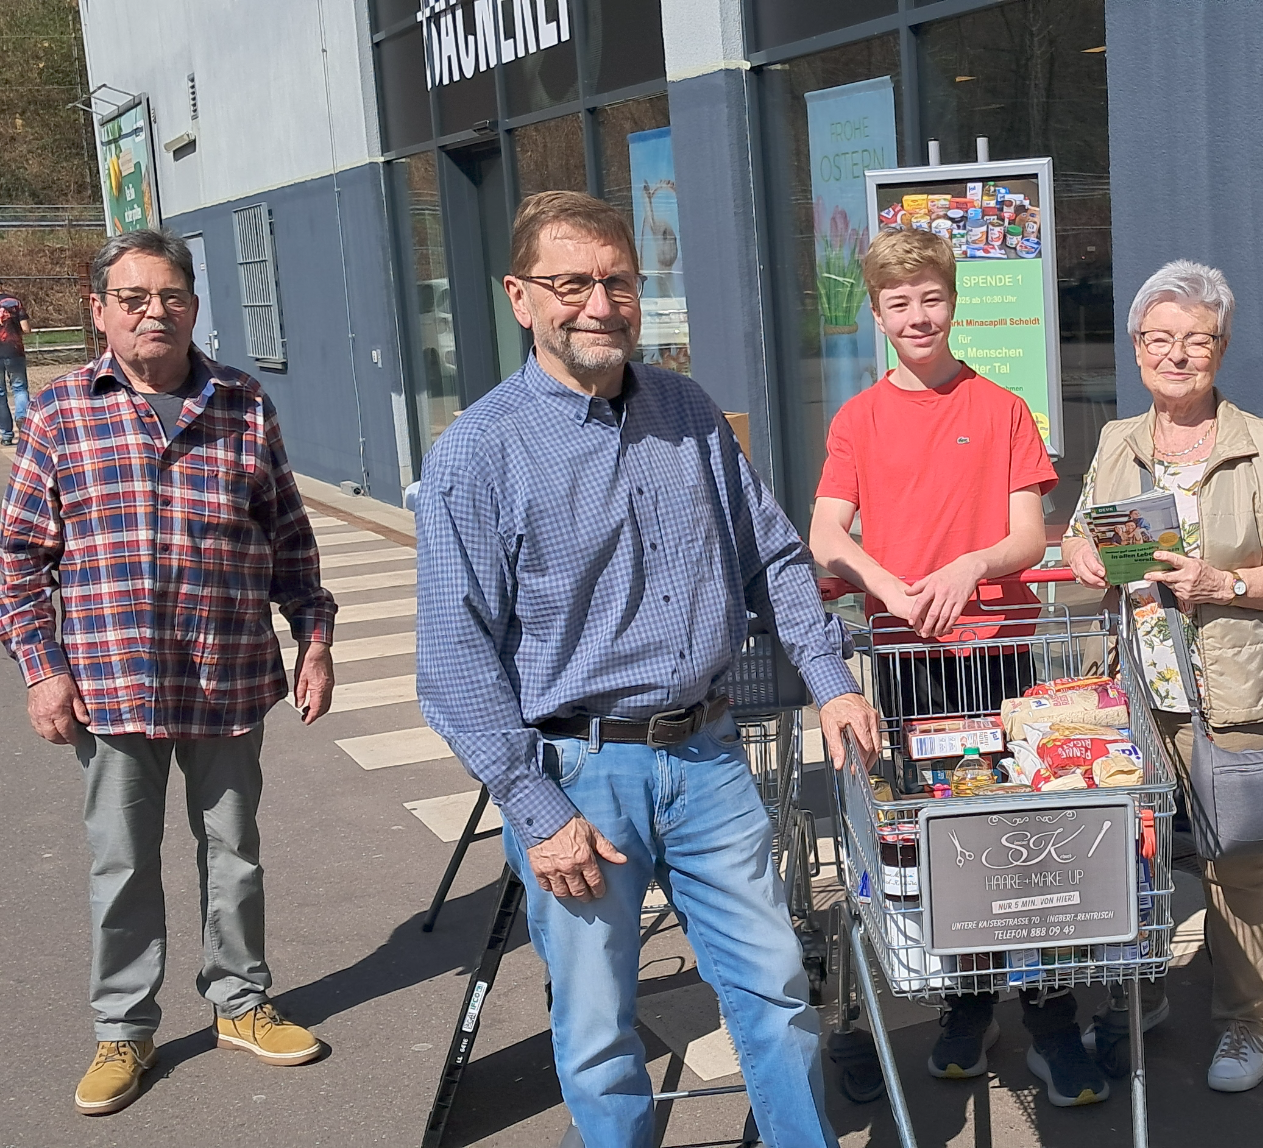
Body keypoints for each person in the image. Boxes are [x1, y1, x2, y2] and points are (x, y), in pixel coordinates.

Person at [415, 191, 881, 1148]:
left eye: (617, 282)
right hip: (576, 778)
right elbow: (455, 661)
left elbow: (775, 560)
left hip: (708, 759)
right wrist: (538, 814)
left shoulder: (686, 409)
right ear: (519, 297)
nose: (599, 303)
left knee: (777, 996)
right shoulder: (478, 454)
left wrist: (830, 677)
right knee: (595, 1033)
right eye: (571, 282)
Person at [0, 230, 338, 1117]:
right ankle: (124, 1029)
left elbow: (288, 536)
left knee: (235, 853)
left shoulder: (242, 403)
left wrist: (316, 636)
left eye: (172, 294)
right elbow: (20, 560)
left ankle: (239, 1002)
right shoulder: (59, 412)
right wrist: (42, 670)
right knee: (122, 866)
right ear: (99, 310)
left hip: (226, 675)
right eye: (135, 297)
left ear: (194, 301)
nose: (157, 311)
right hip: (111, 682)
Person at [804, 229, 1083, 1100]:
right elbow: (826, 533)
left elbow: (1030, 533)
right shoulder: (859, 418)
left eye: (930, 298)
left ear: (952, 301)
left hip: (1003, 653)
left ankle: (1052, 1017)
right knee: (937, 836)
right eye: (898, 304)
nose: (917, 316)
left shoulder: (1001, 407)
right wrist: (890, 584)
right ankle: (965, 1005)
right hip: (911, 661)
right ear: (879, 316)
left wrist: (968, 567)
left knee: (1032, 840)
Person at [1062, 259, 1263, 1093]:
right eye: (1160, 339)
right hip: (1133, 692)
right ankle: (1143, 994)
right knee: (1131, 856)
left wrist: (1224, 584)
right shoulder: (1115, 442)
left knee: (1236, 862)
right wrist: (1085, 557)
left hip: (1233, 689)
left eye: (1197, 340)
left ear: (1221, 348)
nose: (1177, 355)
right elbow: (1078, 545)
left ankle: (1245, 1025)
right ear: (1138, 348)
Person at [0, 284, 30, 446]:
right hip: (14, 350)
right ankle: (22, 417)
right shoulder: (13, 302)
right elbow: (26, 328)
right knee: (19, 388)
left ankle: (6, 435)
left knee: (0, 394)